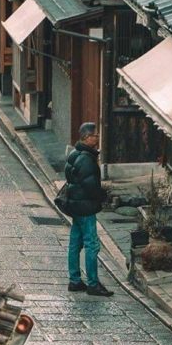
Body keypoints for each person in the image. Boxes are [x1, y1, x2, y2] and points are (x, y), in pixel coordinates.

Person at [64, 122, 113, 297]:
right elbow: (91, 185)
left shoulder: (74, 153)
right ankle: (93, 283)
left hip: (75, 204)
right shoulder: (86, 158)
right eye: (95, 135)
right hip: (85, 206)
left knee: (75, 243)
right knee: (92, 244)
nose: (98, 138)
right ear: (87, 137)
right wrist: (102, 196)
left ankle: (75, 280)